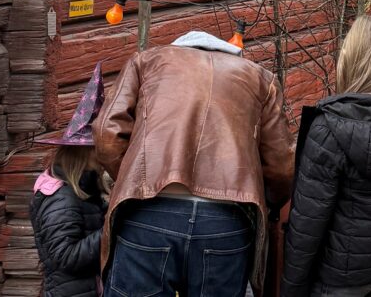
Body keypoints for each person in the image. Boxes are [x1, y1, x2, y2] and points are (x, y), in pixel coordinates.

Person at [93, 29, 295, 297]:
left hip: (150, 214)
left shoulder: (147, 62)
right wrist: (265, 203)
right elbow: (282, 165)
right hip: (225, 223)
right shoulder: (260, 79)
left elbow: (108, 134)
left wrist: (140, 179)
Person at [282, 16, 371, 297]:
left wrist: (291, 288)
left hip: (340, 277)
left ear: (351, 57)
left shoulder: (330, 127)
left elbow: (308, 222)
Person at [31, 63, 108, 297]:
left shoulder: (84, 186)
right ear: (84, 152)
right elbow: (67, 257)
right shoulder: (60, 197)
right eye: (100, 148)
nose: (106, 154)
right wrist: (112, 228)